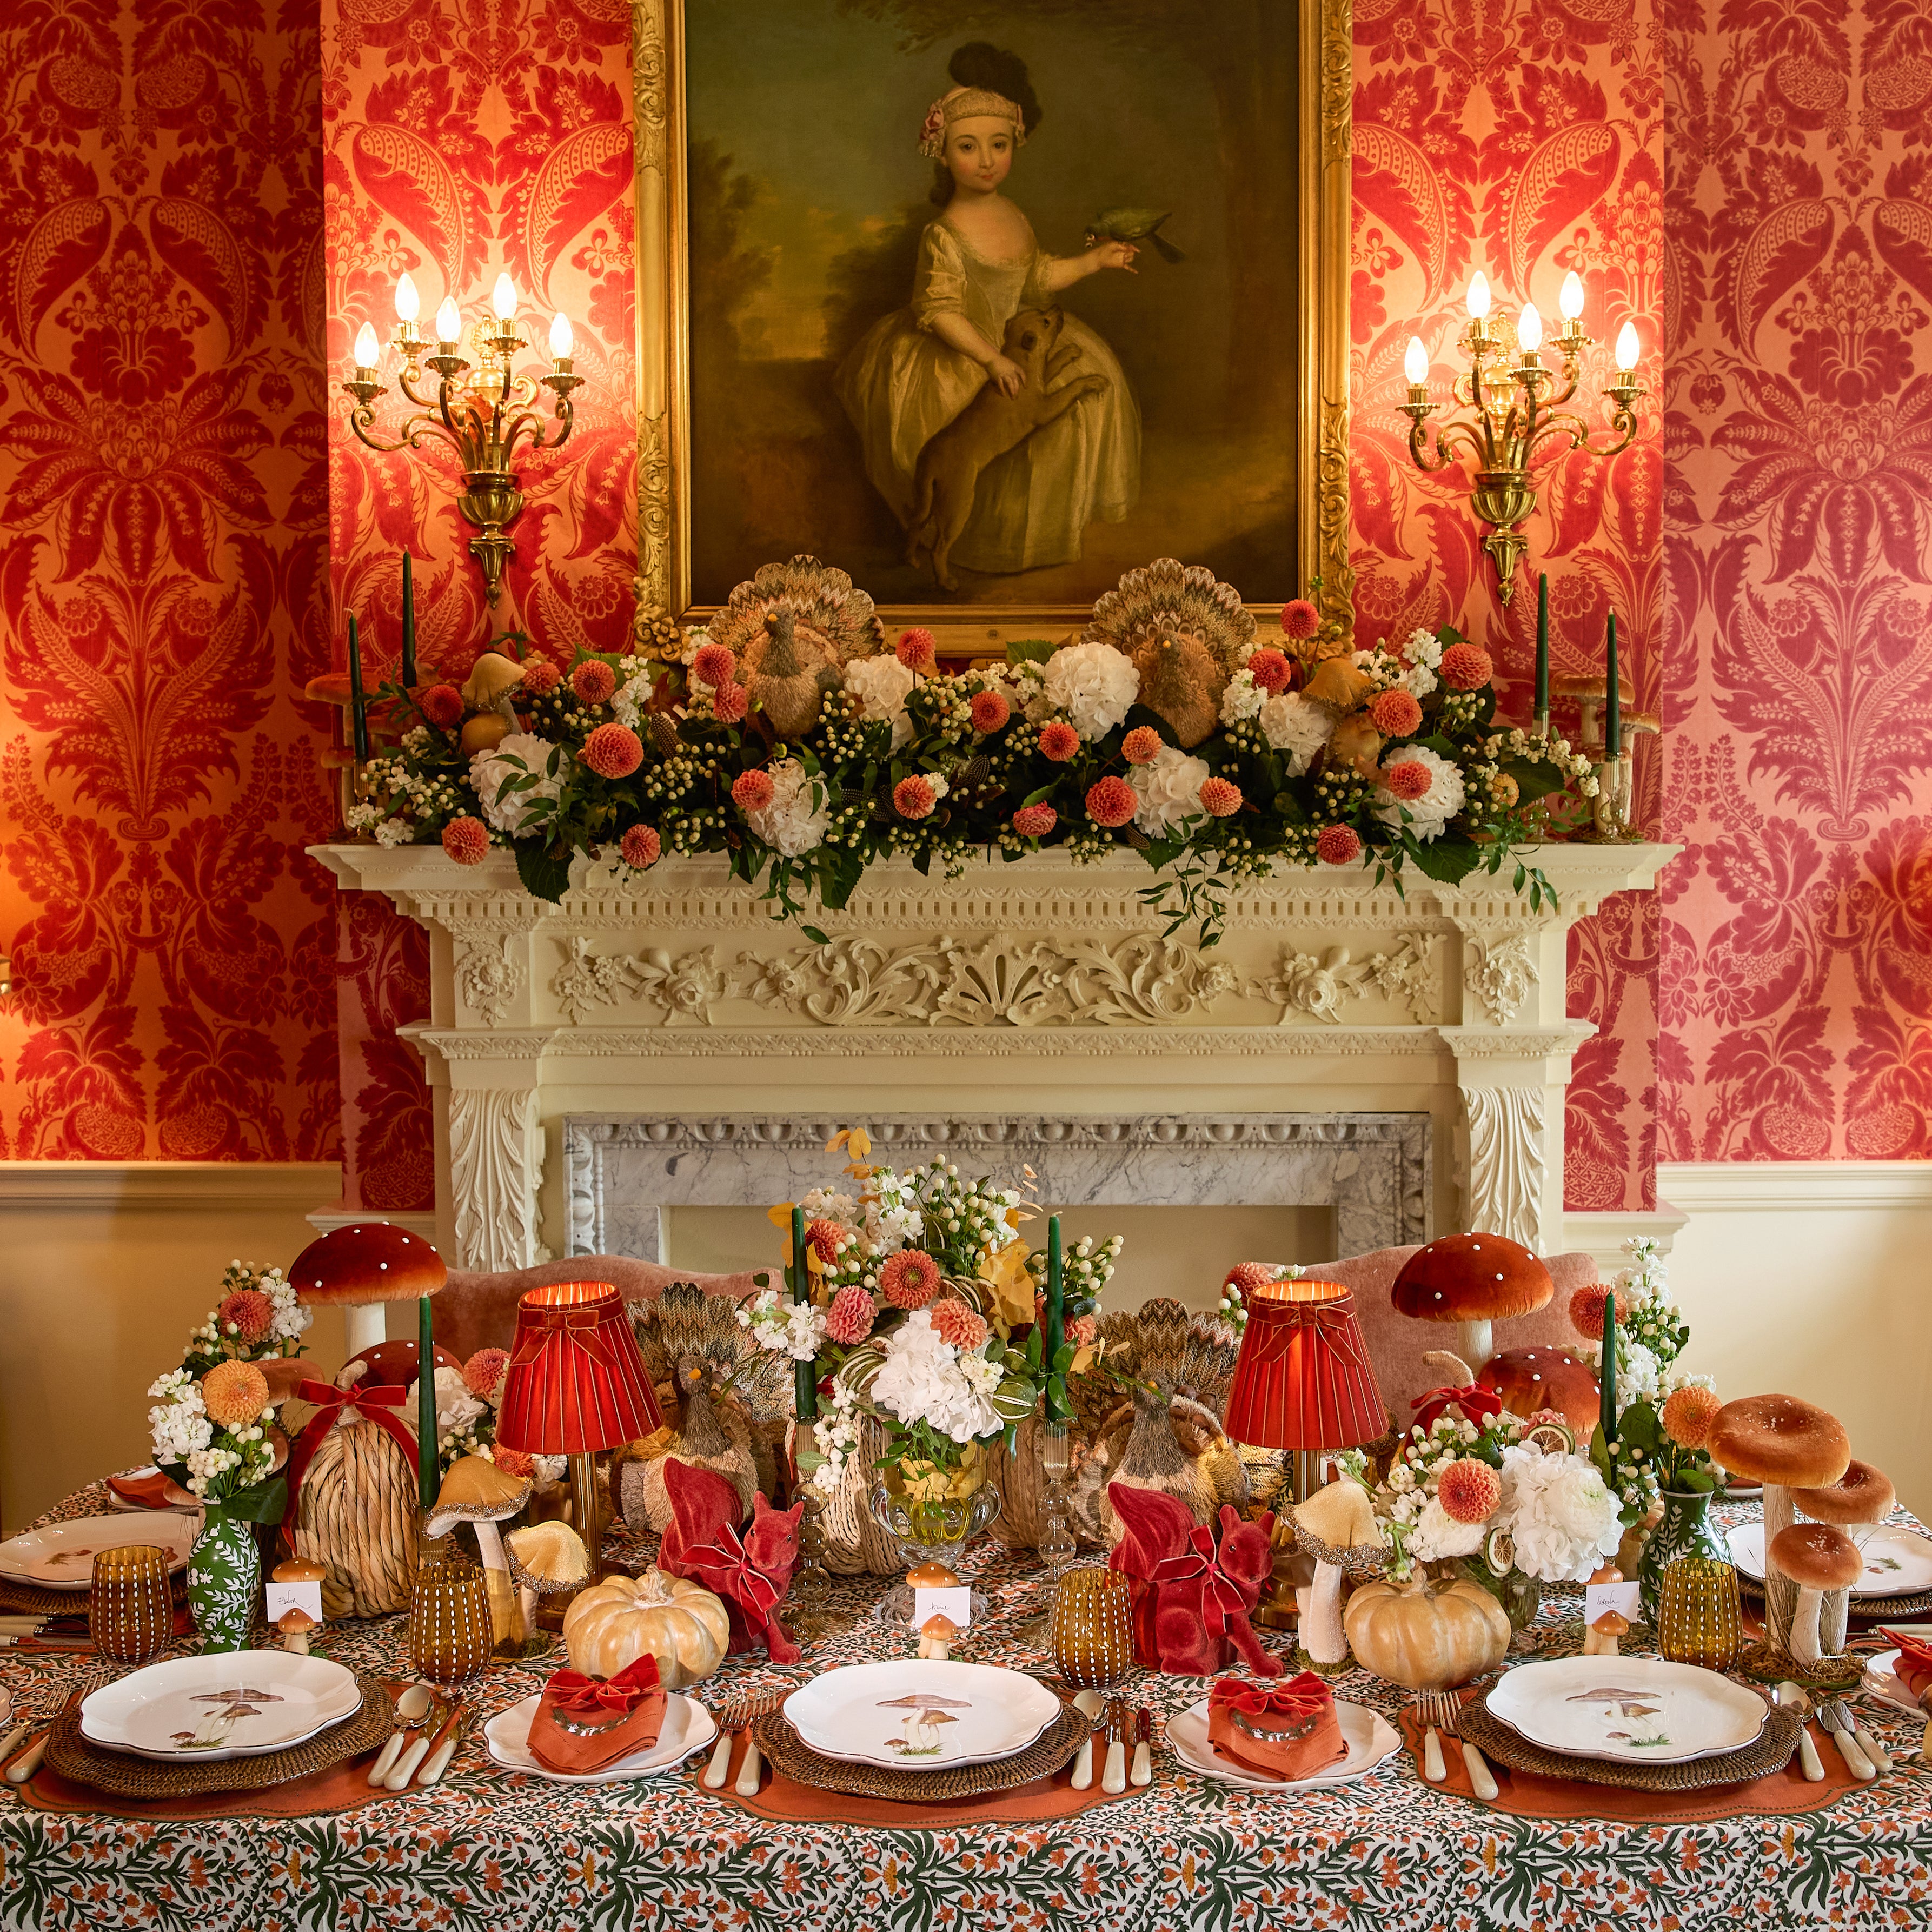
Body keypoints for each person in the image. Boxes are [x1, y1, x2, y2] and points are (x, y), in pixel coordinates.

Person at [835, 54, 1142, 584]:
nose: (985, 161)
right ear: (944, 153)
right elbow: (939, 310)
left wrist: (1094, 261)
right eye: (968, 147)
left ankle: (1025, 543)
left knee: (1087, 395)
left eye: (998, 145)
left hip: (1020, 339)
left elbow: (1037, 279)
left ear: (1014, 146)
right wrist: (991, 358)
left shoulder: (1013, 216)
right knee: (969, 442)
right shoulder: (944, 233)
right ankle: (959, 544)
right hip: (964, 350)